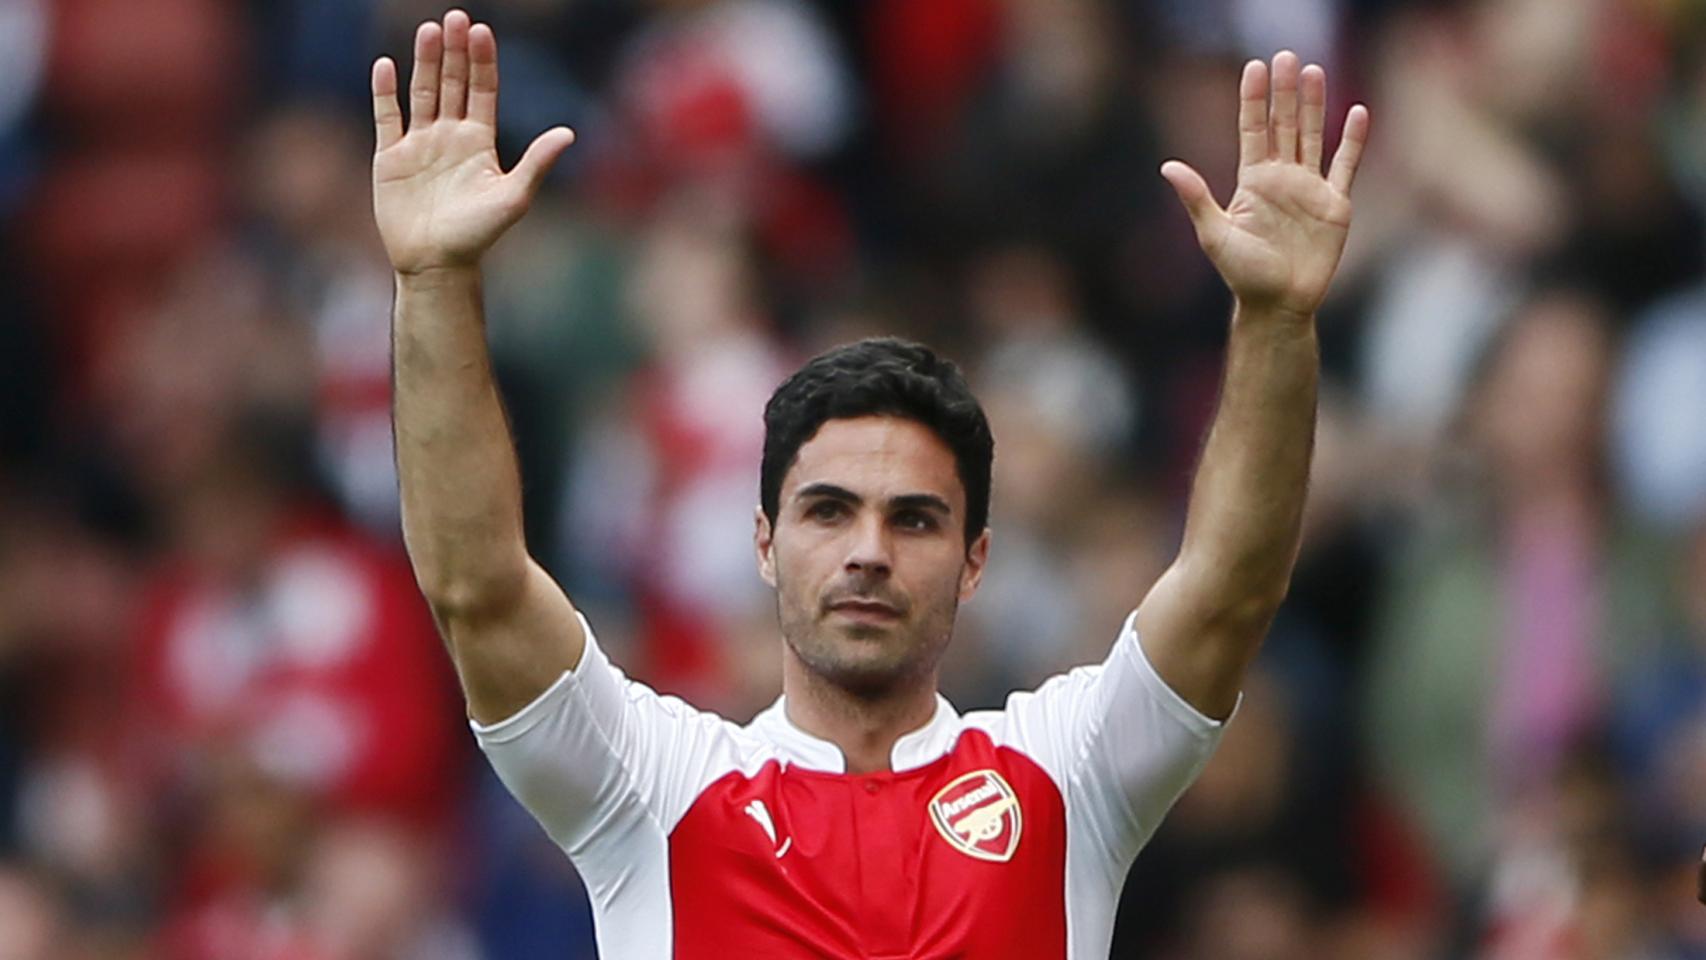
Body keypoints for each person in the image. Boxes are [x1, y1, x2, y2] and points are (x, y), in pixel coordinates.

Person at [371, 9, 1367, 958]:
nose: (867, 550)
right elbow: (476, 586)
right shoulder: (655, 789)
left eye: (916, 519)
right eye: (827, 510)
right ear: (762, 542)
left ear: (975, 561)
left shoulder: (1066, 775)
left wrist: (1275, 322)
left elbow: (1231, 587)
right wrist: (433, 284)